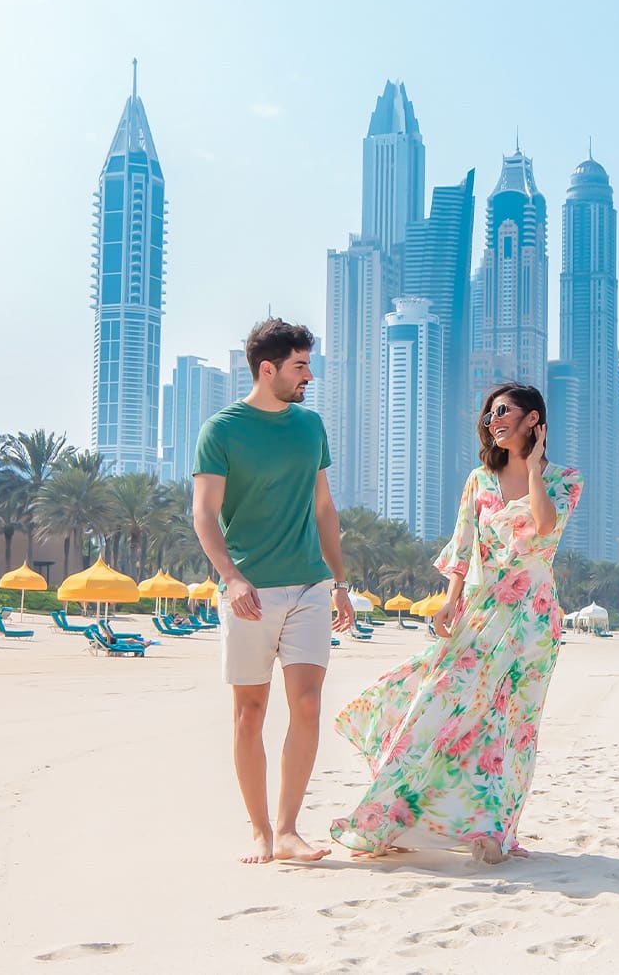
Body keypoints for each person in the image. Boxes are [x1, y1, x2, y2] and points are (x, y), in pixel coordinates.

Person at [330, 383, 583, 865]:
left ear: (533, 419)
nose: (493, 420)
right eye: (489, 414)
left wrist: (532, 470)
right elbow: (463, 547)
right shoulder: (478, 480)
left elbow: (545, 527)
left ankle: (494, 831)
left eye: (504, 411)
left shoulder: (566, 478)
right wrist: (449, 601)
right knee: (436, 705)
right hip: (482, 611)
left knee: (513, 727)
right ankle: (394, 815)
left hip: (533, 620)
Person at [192, 318, 355, 865]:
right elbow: (205, 514)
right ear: (269, 369)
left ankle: (288, 830)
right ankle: (259, 831)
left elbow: (325, 509)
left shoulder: (311, 427)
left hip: (310, 584)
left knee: (306, 706)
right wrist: (233, 576)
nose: (309, 375)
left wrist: (340, 583)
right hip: (250, 592)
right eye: (300, 366)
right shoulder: (222, 430)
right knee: (250, 711)